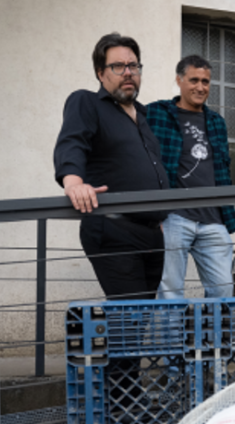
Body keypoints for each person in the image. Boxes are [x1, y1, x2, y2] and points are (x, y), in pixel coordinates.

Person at [54, 32, 169, 299]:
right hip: (114, 228)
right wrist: (73, 182)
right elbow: (72, 142)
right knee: (129, 320)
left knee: (138, 321)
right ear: (100, 73)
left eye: (134, 66)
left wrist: (159, 217)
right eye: (118, 66)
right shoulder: (87, 102)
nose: (128, 72)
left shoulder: (143, 115)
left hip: (152, 234)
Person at [146, 55, 235, 299]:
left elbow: (222, 170)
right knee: (170, 291)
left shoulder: (217, 122)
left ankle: (214, 338)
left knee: (223, 289)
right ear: (179, 80)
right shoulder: (155, 113)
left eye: (206, 81)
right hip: (173, 216)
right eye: (194, 80)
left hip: (213, 217)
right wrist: (153, 213)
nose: (200, 87)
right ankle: (171, 339)